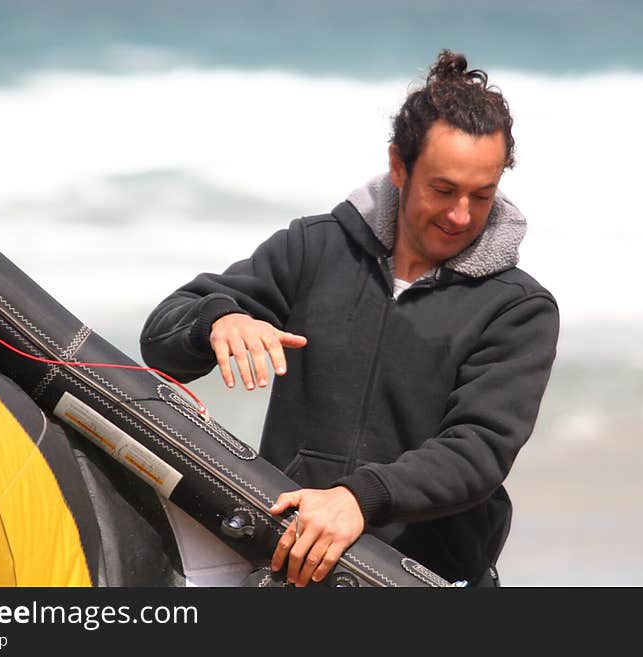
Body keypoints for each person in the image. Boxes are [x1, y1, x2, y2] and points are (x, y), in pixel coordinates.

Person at [140, 49, 559, 588]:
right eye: (443, 189)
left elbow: (477, 452)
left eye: (482, 195)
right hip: (287, 563)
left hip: (422, 580)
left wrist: (360, 498)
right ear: (399, 166)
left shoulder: (517, 308)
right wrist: (218, 321)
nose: (461, 215)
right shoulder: (316, 249)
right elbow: (161, 337)